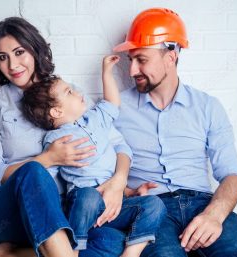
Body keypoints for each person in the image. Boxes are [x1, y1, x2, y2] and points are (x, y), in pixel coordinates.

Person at [0, 17, 129, 257]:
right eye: (2, 57)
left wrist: (119, 182)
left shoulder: (69, 94)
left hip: (66, 212)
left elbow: (118, 144)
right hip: (8, 216)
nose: (12, 64)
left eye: (19, 52)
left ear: (35, 49)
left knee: (113, 241)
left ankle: (13, 254)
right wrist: (47, 159)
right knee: (33, 171)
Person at [112, 7, 237, 257]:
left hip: (204, 204)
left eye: (142, 59)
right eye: (131, 60)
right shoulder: (115, 109)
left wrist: (215, 214)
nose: (132, 70)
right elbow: (98, 172)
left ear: (171, 56)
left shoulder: (207, 106)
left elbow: (233, 174)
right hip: (151, 209)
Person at [21, 55, 166, 257]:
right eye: (69, 92)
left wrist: (106, 72)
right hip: (83, 205)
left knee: (155, 205)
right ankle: (72, 250)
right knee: (88, 196)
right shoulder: (56, 140)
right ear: (56, 111)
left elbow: (112, 103)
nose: (78, 92)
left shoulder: (95, 118)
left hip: (115, 204)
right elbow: (46, 177)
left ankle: (131, 252)